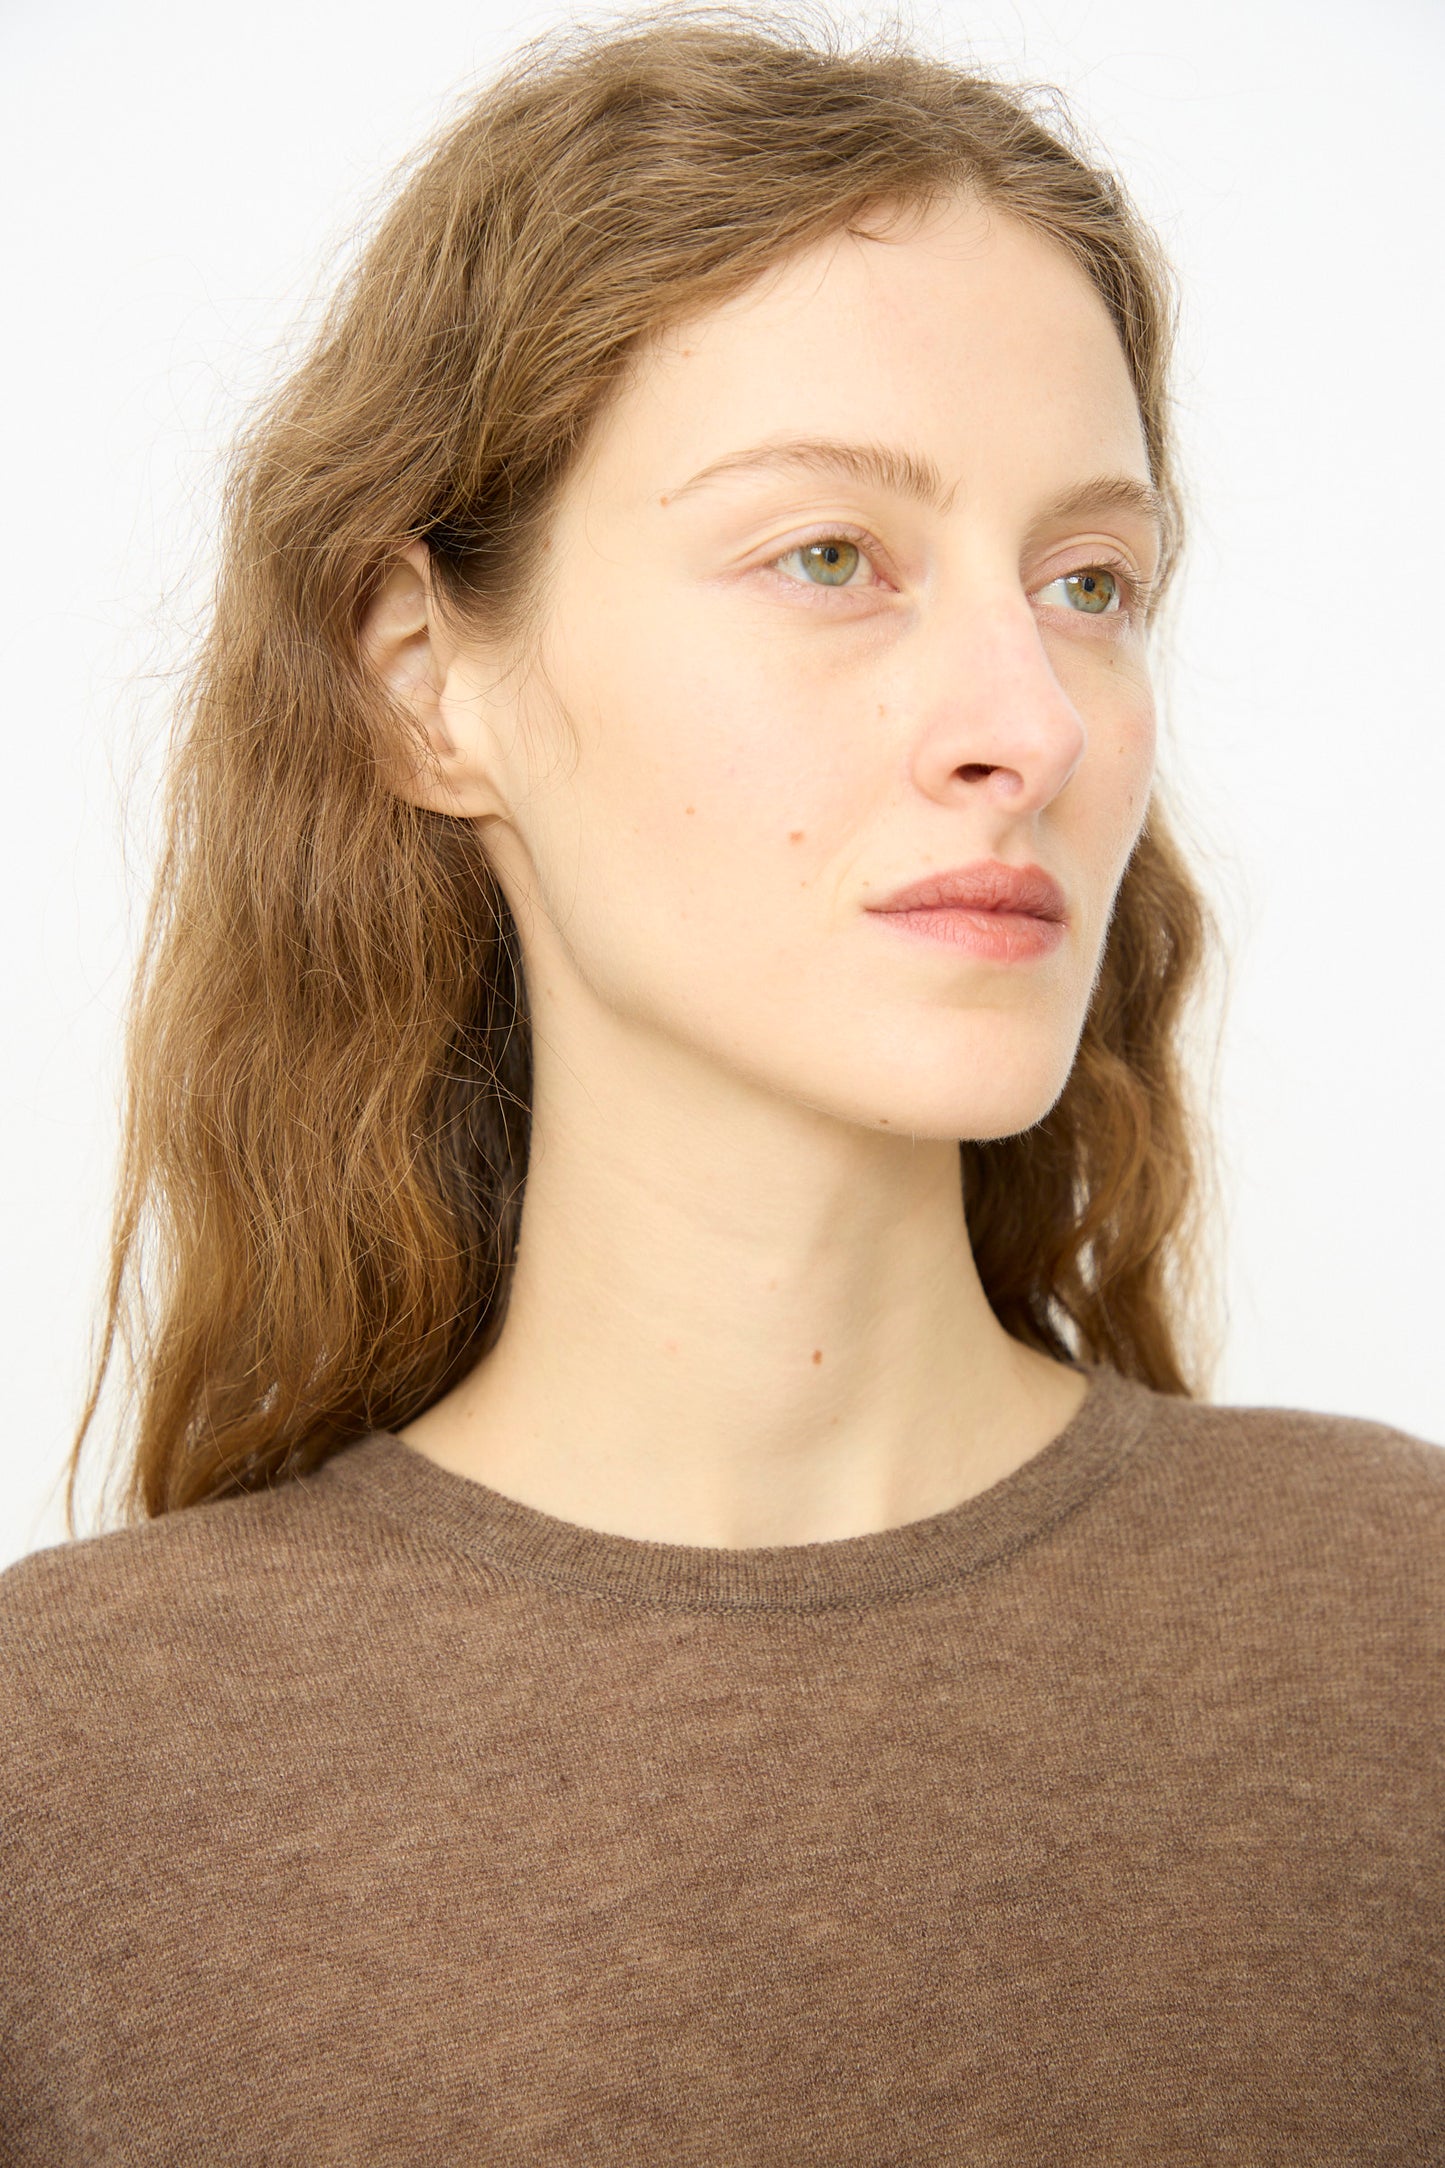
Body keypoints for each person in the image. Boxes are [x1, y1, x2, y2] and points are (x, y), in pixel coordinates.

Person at [1, 8, 1439, 2158]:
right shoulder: (61, 1780)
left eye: (1088, 584)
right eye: (830, 556)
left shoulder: (1402, 1645)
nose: (1025, 722)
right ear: (428, 685)